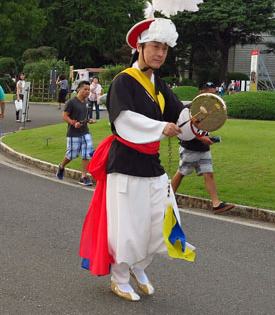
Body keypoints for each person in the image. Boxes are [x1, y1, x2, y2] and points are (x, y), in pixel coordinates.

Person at [79, 18, 191, 302]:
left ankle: (139, 267)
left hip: (152, 163)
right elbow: (123, 119)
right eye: (155, 46)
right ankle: (119, 276)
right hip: (125, 163)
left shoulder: (159, 84)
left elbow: (179, 114)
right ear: (139, 47)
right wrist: (159, 128)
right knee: (126, 224)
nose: (160, 53)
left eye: (164, 48)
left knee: (158, 219)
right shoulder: (123, 81)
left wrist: (198, 125)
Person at [172, 82, 234, 214]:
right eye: (210, 94)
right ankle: (168, 199)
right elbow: (184, 130)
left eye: (214, 94)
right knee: (182, 173)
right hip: (190, 147)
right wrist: (201, 138)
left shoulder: (211, 109)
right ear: (202, 93)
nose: (213, 97)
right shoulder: (190, 109)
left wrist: (207, 138)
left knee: (209, 174)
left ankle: (216, 204)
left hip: (204, 147)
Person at [56, 80, 95, 186]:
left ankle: (83, 176)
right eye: (85, 89)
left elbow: (85, 116)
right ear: (79, 89)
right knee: (71, 155)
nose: (87, 92)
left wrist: (89, 120)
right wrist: (73, 123)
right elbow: (64, 116)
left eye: (88, 89)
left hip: (85, 131)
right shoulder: (71, 102)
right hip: (73, 133)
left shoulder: (87, 102)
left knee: (87, 153)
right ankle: (62, 166)